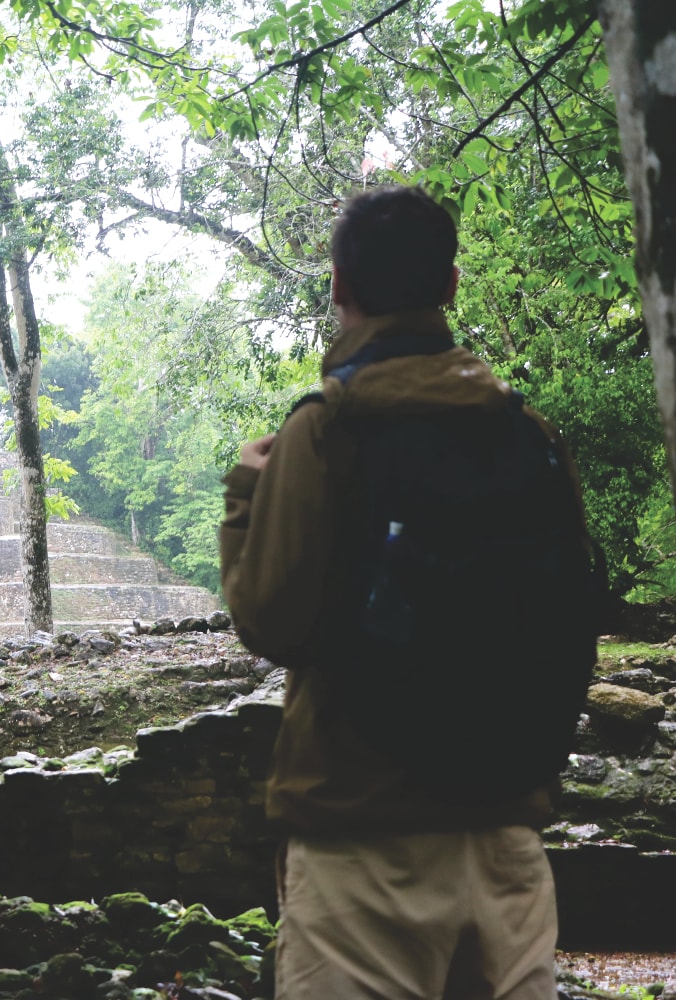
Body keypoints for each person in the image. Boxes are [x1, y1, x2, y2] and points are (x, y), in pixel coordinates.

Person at [219, 186, 589, 1000]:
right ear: (450, 285)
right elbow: (570, 621)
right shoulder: (528, 434)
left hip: (361, 844)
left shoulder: (326, 430)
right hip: (504, 838)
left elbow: (274, 622)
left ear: (339, 287)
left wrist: (246, 497)